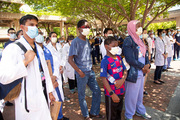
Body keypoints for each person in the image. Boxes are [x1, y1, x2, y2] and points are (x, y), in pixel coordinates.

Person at [0, 14, 55, 120]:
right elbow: (3, 77)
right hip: (27, 101)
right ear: (22, 27)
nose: (34, 28)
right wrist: (25, 62)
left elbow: (45, 71)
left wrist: (50, 91)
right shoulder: (13, 48)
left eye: (36, 25)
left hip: (43, 94)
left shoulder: (38, 49)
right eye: (31, 25)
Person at [68, 19, 104, 120]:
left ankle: (94, 112)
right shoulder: (75, 42)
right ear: (79, 29)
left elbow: (87, 55)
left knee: (97, 91)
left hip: (90, 72)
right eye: (85, 27)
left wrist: (91, 67)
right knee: (82, 95)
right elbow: (70, 59)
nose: (88, 29)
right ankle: (86, 115)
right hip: (82, 74)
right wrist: (79, 72)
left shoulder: (87, 41)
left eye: (88, 27)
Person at [123, 20, 151, 120]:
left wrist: (148, 64)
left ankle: (140, 111)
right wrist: (142, 67)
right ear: (131, 28)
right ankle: (129, 115)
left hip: (142, 72)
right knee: (131, 96)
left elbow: (145, 54)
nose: (140, 28)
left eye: (140, 26)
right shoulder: (128, 40)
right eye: (137, 26)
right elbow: (129, 58)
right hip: (134, 73)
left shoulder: (139, 40)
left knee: (139, 95)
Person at [100, 36, 127, 120]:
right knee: (112, 115)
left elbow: (125, 70)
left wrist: (122, 79)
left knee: (119, 112)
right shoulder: (105, 61)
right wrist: (112, 94)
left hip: (121, 91)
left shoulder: (119, 58)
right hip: (111, 94)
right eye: (114, 46)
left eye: (117, 46)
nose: (116, 48)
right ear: (106, 47)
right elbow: (104, 79)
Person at [46, 32, 69, 120]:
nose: (54, 37)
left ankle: (60, 115)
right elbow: (49, 64)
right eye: (53, 36)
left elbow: (64, 56)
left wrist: (62, 65)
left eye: (56, 36)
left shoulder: (59, 46)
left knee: (60, 95)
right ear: (49, 38)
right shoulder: (47, 48)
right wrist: (54, 75)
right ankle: (58, 116)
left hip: (59, 73)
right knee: (56, 96)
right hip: (53, 76)